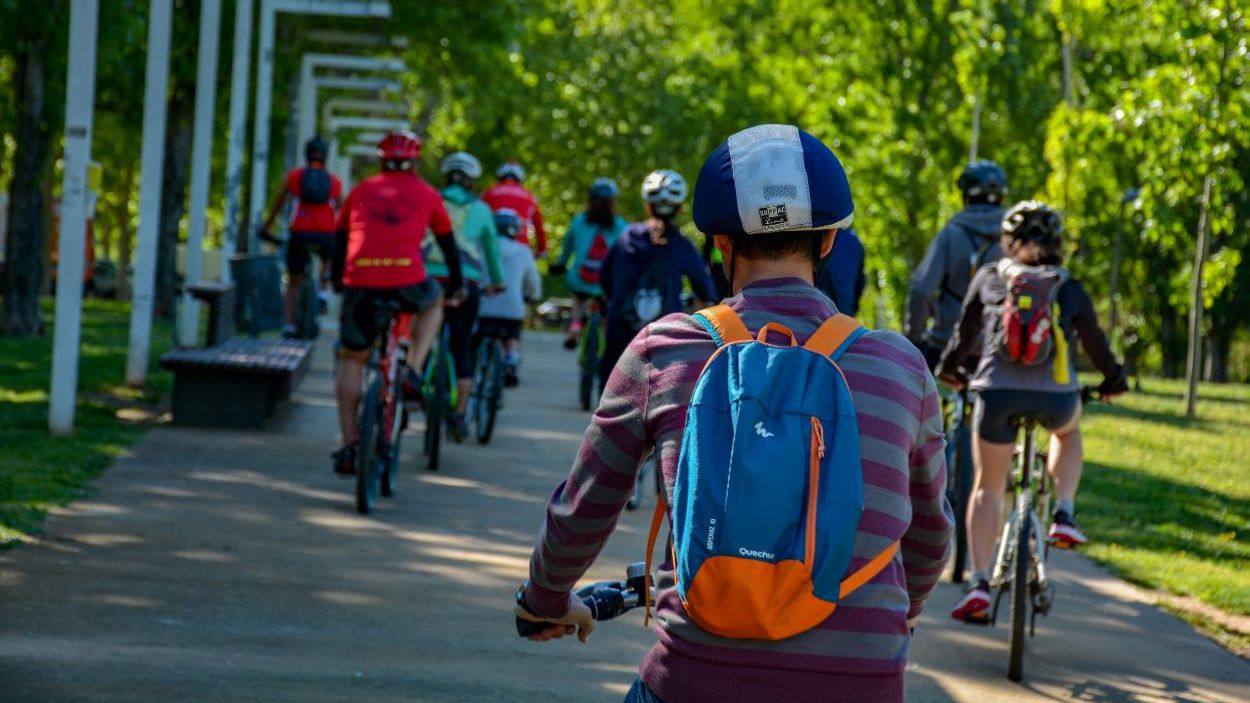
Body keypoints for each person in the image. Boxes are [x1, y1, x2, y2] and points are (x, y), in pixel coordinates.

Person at [515, 125, 952, 703]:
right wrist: (902, 614)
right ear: (827, 244)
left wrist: (545, 600)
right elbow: (929, 533)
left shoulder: (663, 350)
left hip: (697, 677)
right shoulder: (900, 366)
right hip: (861, 681)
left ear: (720, 244)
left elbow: (586, 504)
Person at [936, 200, 1128, 623]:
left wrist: (950, 370)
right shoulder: (1067, 286)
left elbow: (964, 332)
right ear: (1057, 244)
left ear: (1008, 241)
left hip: (996, 396)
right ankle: (1063, 512)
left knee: (987, 485)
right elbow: (1095, 341)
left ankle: (980, 583)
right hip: (1056, 399)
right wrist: (1114, 380)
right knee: (1068, 431)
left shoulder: (990, 278)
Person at [330, 131, 463, 476]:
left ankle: (349, 445)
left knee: (351, 360)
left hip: (360, 283)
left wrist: (336, 279)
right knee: (433, 302)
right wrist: (457, 285)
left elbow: (340, 238)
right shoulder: (428, 194)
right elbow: (447, 244)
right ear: (414, 162)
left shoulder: (361, 190)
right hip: (407, 282)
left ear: (380, 159)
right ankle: (413, 369)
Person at [597, 169, 716, 389]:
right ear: (680, 208)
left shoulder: (626, 237)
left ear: (647, 205)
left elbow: (604, 277)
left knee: (609, 398)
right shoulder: (682, 247)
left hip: (621, 334)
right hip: (665, 341)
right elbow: (705, 290)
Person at [425, 151, 505, 442]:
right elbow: (492, 253)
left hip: (429, 278)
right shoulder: (482, 210)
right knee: (461, 346)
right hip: (466, 283)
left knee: (419, 336)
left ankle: (410, 381)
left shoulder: (431, 199)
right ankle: (459, 414)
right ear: (472, 181)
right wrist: (496, 282)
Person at [905, 160, 1008, 370]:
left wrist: (915, 338)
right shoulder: (1015, 239)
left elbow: (922, 290)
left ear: (966, 197)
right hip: (998, 349)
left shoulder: (951, 234)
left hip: (946, 344)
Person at [260, 136, 343, 337]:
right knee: (328, 257)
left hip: (300, 231)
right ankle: (323, 289)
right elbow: (342, 209)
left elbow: (278, 206)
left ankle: (288, 324)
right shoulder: (334, 182)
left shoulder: (294, 177)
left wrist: (266, 227)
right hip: (326, 232)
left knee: (293, 281)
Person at [551, 177, 628, 349]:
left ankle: (575, 327)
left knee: (578, 300)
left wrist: (561, 264)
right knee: (607, 309)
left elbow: (567, 249)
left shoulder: (578, 221)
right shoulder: (620, 226)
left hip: (580, 278)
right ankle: (606, 338)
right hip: (606, 282)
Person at [477, 208, 542, 386]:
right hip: (512, 308)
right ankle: (510, 357)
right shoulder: (523, 251)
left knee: (480, 337)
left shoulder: (481, 247)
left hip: (484, 306)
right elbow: (533, 280)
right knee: (511, 334)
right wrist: (533, 296)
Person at [482, 161, 547, 258]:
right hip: (521, 248)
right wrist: (541, 250)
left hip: (492, 248)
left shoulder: (488, 193)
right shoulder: (529, 197)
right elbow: (539, 227)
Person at [814, 226, 866, 316]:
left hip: (819, 313)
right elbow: (860, 282)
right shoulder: (855, 241)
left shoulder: (815, 235)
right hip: (845, 314)